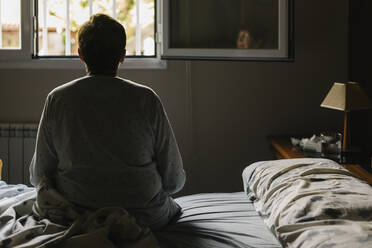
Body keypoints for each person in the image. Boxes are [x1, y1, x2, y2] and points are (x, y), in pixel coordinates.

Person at [29, 14, 186, 230]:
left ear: (81, 55)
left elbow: (39, 176)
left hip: (77, 216)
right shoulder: (146, 99)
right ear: (122, 56)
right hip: (144, 218)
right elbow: (174, 181)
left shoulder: (58, 99)